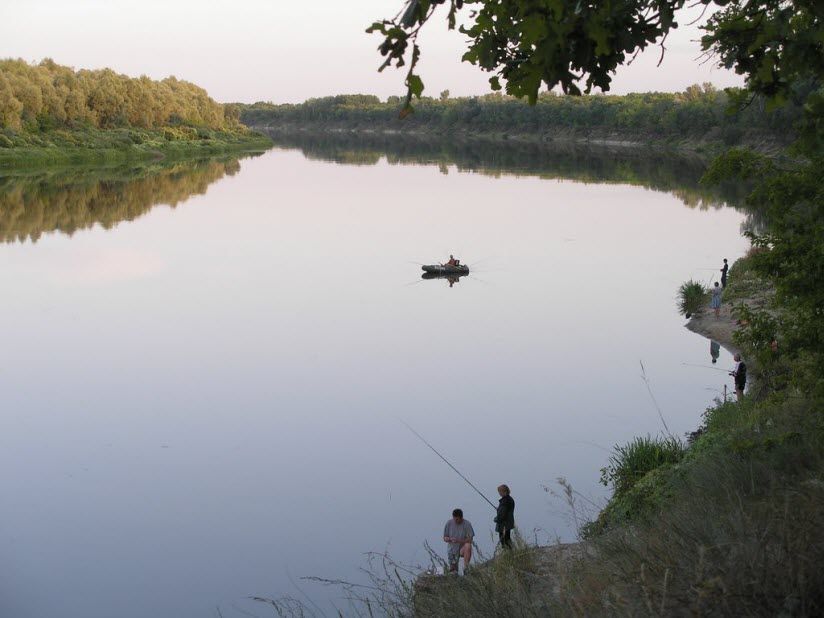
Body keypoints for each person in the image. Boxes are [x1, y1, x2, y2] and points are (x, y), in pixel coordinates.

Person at [443, 508, 474, 573]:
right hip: (452, 549)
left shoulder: (467, 524)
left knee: (468, 546)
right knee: (453, 570)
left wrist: (458, 541)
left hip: (462, 549)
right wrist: (448, 539)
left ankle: (466, 568)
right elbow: (445, 537)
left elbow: (470, 539)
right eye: (454, 519)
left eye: (457, 519)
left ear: (461, 517)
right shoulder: (449, 523)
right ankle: (454, 571)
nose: (455, 521)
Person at [494, 484, 515, 549]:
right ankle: (512, 553)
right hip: (508, 523)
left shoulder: (505, 501)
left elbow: (502, 515)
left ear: (504, 492)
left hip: (504, 524)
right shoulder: (510, 499)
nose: (499, 493)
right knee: (507, 539)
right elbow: (505, 511)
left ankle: (508, 554)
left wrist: (496, 519)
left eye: (500, 491)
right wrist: (499, 509)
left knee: (504, 541)